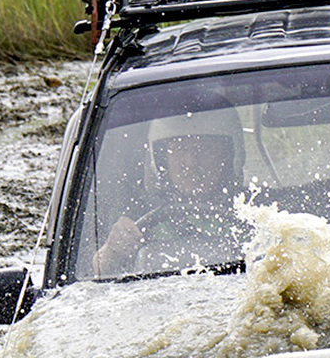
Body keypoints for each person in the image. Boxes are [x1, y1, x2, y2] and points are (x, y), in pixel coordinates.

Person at [93, 103, 244, 278]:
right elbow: (97, 276)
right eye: (180, 149)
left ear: (228, 155)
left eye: (205, 149)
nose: (191, 162)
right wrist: (113, 253)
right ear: (162, 159)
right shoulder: (137, 215)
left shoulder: (259, 212)